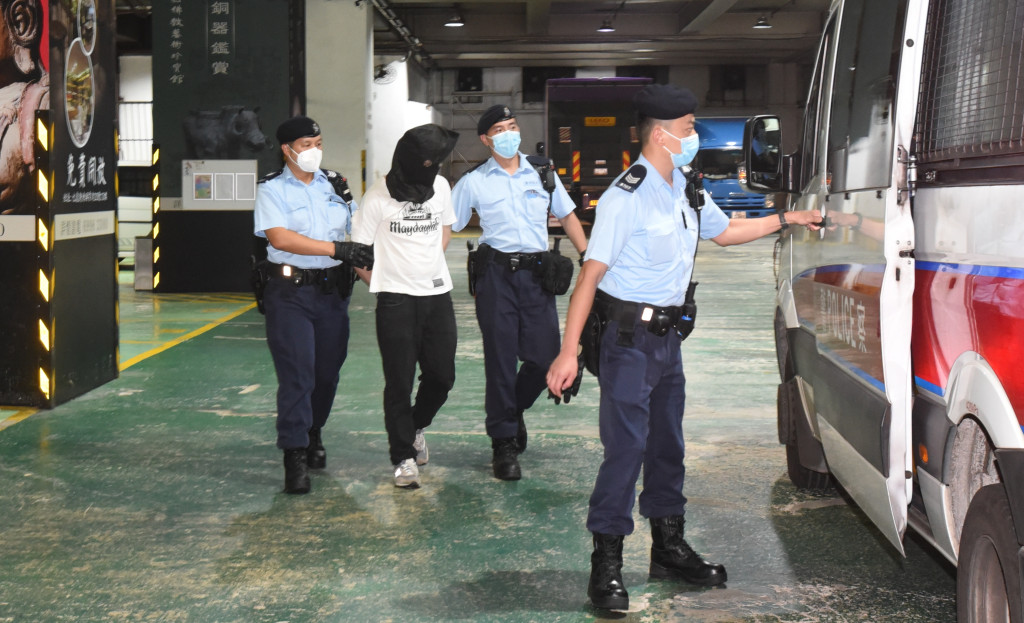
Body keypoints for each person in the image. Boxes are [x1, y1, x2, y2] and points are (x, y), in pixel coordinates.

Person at [545, 85, 822, 610]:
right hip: (627, 342)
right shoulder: (626, 196)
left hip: (668, 340)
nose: (694, 136)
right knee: (625, 450)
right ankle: (606, 564)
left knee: (667, 447)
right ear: (660, 133)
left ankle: (668, 547)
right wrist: (568, 350)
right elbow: (590, 278)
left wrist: (789, 219)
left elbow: (724, 233)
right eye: (690, 127)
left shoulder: (685, 188)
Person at [451, 104, 588, 481]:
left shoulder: (542, 172)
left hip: (537, 275)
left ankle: (510, 412)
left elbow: (568, 214)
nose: (509, 133)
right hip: (496, 275)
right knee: (500, 360)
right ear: (486, 139)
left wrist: (589, 257)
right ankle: (503, 444)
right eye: (500, 128)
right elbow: (448, 223)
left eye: (512, 126)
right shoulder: (474, 181)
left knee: (545, 358)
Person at [253, 115, 373, 495]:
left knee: (326, 374)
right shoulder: (271, 189)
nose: (314, 151)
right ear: (287, 150)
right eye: (306, 145)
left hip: (332, 294)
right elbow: (280, 238)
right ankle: (295, 453)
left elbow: (356, 236)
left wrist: (382, 286)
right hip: (290, 294)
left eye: (318, 143)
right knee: (298, 375)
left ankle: (313, 429)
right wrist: (336, 249)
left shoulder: (336, 184)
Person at [350, 124, 460, 489]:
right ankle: (403, 457)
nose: (437, 170)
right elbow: (359, 254)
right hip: (395, 301)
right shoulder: (377, 197)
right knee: (399, 380)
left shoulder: (440, 188)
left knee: (442, 377)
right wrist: (386, 283)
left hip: (436, 294)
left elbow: (445, 227)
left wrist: (428, 264)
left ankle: (413, 426)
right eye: (431, 162)